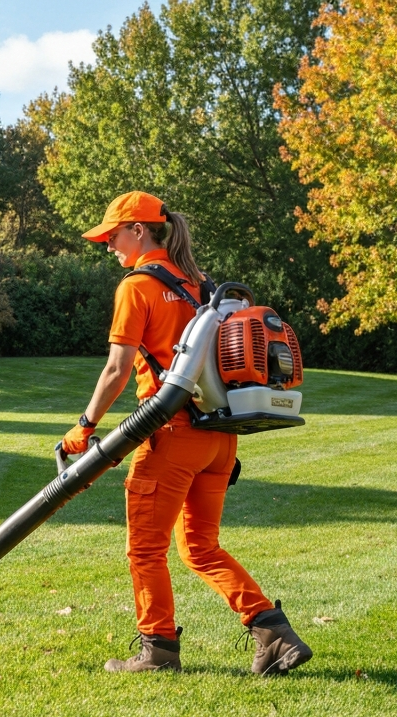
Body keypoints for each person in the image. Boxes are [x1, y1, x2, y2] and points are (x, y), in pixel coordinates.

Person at [62, 191, 312, 675]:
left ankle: (157, 652)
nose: (108, 245)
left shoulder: (137, 287)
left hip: (171, 434)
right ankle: (274, 634)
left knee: (146, 549)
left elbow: (117, 369)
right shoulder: (203, 286)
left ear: (139, 230)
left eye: (112, 235)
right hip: (219, 437)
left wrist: (85, 425)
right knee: (201, 547)